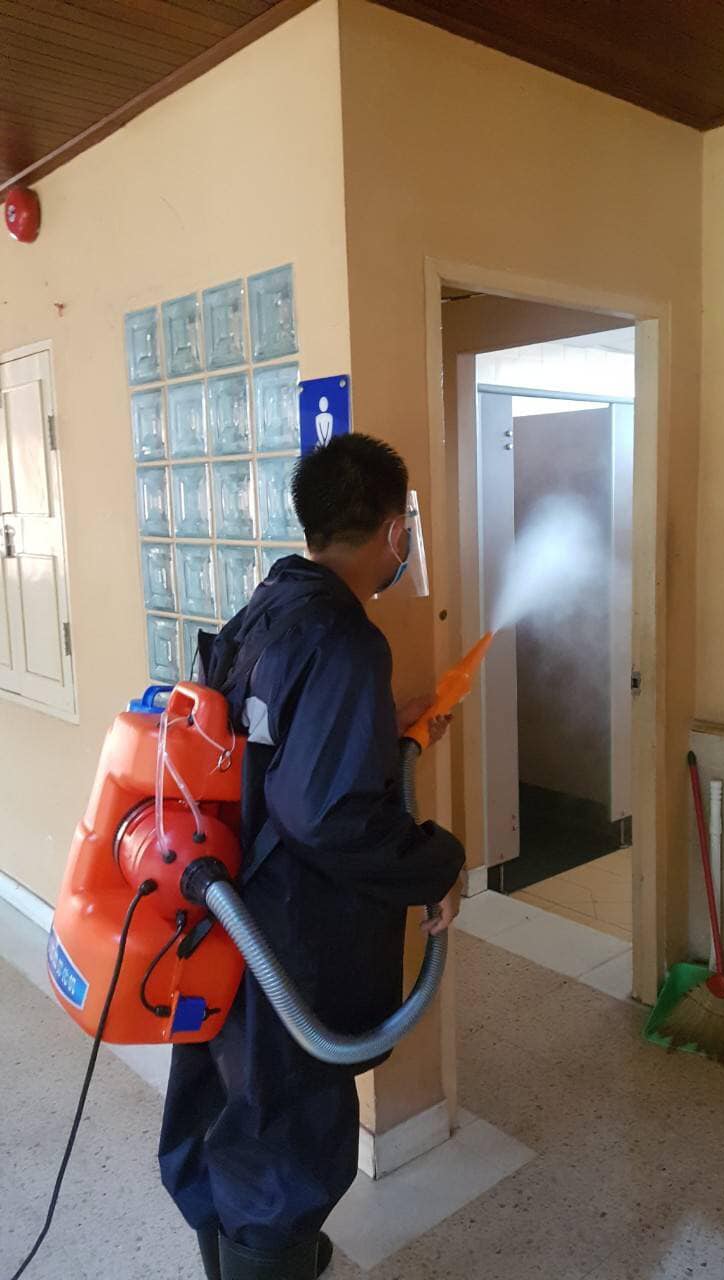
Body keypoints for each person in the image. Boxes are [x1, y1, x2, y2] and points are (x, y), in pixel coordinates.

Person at [158, 434, 466, 1280]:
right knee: (284, 1137)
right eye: (406, 527)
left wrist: (384, 729)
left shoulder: (271, 606)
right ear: (395, 532)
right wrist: (438, 862)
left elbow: (278, 751)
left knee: (229, 1110)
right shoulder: (346, 638)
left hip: (229, 918)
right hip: (291, 935)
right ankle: (268, 1258)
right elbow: (326, 815)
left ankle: (248, 1258)